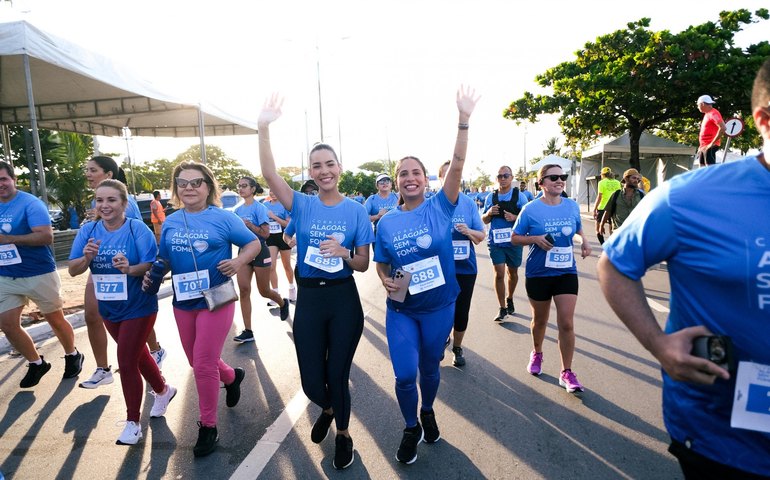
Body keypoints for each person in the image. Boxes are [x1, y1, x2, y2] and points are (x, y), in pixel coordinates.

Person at [596, 59, 770, 479]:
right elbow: (615, 265)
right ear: (764, 120)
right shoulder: (689, 197)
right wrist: (658, 344)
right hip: (723, 442)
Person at [258, 94, 374, 470]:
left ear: (339, 168)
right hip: (309, 299)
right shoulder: (302, 205)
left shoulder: (356, 211)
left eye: (329, 164)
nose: (324, 171)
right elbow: (269, 175)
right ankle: (326, 407)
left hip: (343, 300)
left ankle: (343, 434)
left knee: (337, 373)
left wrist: (344, 253)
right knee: (312, 381)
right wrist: (263, 127)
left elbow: (363, 264)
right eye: (317, 166)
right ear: (310, 172)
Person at [375, 85, 479, 465]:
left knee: (430, 368)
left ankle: (428, 410)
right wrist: (384, 278)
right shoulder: (387, 222)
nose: (410, 178)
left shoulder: (441, 206)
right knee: (405, 375)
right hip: (402, 309)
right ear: (396, 181)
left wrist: (463, 121)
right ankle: (410, 427)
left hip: (439, 307)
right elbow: (381, 261)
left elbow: (458, 164)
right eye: (403, 173)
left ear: (426, 178)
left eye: (416, 172)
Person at [144, 161, 261, 457]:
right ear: (176, 189)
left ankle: (208, 426)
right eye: (182, 183)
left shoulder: (224, 218)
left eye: (196, 182)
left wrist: (238, 262)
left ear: (208, 187)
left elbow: (253, 244)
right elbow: (164, 258)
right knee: (196, 362)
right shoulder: (172, 221)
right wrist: (152, 275)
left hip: (215, 298)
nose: (189, 188)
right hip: (183, 301)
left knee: (204, 363)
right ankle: (232, 377)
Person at [68, 179, 176, 445]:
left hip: (139, 305)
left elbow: (151, 265)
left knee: (126, 361)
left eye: (111, 200)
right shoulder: (88, 230)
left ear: (124, 203)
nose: (104, 205)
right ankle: (163, 390)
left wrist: (130, 268)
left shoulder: (136, 228)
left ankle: (132, 423)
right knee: (138, 355)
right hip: (109, 306)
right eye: (99, 200)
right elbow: (73, 270)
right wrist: (87, 258)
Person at [80, 156, 166, 390]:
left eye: (93, 170)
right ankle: (103, 369)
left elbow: (132, 233)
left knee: (134, 317)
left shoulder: (126, 202)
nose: (88, 174)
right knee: (92, 315)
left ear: (108, 174)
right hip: (100, 265)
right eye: (87, 170)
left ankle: (154, 350)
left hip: (125, 269)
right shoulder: (96, 200)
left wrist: (132, 267)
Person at [0, 161, 83, 388]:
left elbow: (46, 237)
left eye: (3, 179)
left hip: (38, 272)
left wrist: (8, 239)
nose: (0, 185)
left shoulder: (30, 203)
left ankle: (72, 354)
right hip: (6, 275)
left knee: (54, 319)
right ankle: (36, 363)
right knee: (7, 325)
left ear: (13, 179)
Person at [511, 164, 591, 393]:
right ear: (542, 183)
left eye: (562, 176)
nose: (559, 180)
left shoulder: (571, 206)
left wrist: (584, 240)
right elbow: (515, 238)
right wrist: (534, 239)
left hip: (566, 271)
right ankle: (537, 352)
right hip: (538, 273)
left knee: (566, 322)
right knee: (540, 320)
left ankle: (566, 372)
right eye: (553, 177)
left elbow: (577, 229)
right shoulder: (530, 209)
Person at [437, 160, 485, 367]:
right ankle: (441, 341)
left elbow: (480, 236)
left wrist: (468, 231)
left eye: (456, 174)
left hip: (465, 268)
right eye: (447, 174)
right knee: (440, 310)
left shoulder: (468, 204)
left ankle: (457, 347)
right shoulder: (432, 203)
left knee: (461, 310)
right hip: (440, 269)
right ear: (441, 179)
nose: (452, 178)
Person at [233, 176, 289, 344]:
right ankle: (248, 331)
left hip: (260, 250)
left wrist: (249, 225)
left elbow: (265, 234)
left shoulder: (260, 208)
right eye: (239, 186)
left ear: (252, 189)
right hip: (244, 251)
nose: (240, 188)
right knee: (243, 290)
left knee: (264, 291)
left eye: (244, 186)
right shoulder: (237, 210)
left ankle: (282, 302)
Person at [482, 165, 527, 321]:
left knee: (512, 273)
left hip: (514, 241)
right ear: (497, 179)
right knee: (499, 274)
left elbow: (527, 219)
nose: (502, 179)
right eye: (500, 176)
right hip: (495, 242)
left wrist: (515, 217)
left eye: (506, 176)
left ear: (511, 177)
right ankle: (502, 308)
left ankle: (510, 298)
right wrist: (489, 213)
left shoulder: (519, 197)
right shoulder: (491, 197)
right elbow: (484, 220)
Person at [263, 190, 297, 302]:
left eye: (274, 191)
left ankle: (291, 287)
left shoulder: (284, 205)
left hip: (283, 236)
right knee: (271, 266)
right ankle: (275, 294)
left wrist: (274, 217)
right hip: (271, 237)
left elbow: (288, 224)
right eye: (271, 191)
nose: (272, 193)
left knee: (286, 265)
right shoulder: (265, 205)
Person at [599, 168, 644, 234]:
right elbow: (608, 211)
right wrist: (601, 225)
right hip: (618, 232)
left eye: (637, 179)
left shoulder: (641, 195)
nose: (636, 181)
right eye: (634, 178)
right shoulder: (616, 194)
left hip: (635, 231)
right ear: (626, 179)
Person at [592, 166, 621, 245]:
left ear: (603, 175)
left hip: (602, 207)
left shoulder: (601, 183)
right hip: (614, 208)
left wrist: (594, 209)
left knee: (598, 228)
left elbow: (599, 197)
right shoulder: (617, 182)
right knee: (612, 228)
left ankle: (603, 246)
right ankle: (612, 246)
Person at [696, 94, 726, 167]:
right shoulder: (707, 114)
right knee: (702, 168)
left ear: (702, 104)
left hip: (709, 145)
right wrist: (701, 146)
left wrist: (712, 143)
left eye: (698, 105)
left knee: (709, 169)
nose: (698, 107)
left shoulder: (713, 113)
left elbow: (723, 128)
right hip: (704, 146)